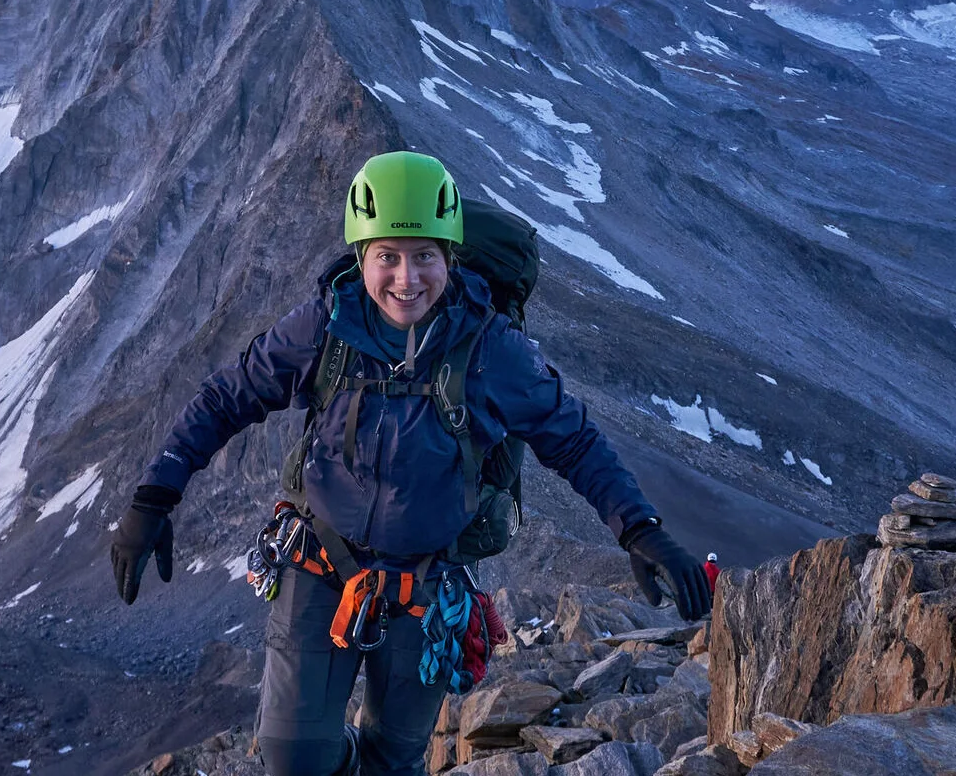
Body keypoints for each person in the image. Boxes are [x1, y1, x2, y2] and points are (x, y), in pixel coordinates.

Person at [108, 151, 711, 776]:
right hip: (320, 561)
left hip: (426, 585)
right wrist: (154, 497)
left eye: (425, 255)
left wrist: (640, 530)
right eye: (387, 256)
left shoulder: (490, 348)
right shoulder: (326, 326)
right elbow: (228, 396)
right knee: (293, 755)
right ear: (360, 257)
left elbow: (573, 439)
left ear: (450, 256)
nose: (406, 278)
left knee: (394, 760)